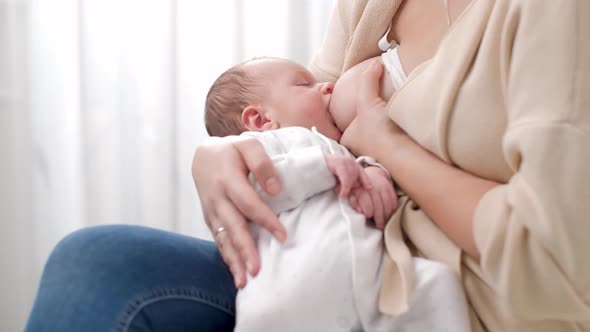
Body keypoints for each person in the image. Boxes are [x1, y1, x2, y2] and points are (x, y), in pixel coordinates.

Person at [25, 0, 590, 331]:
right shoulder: (370, 8)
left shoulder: (554, 16)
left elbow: (556, 262)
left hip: (444, 297)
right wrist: (219, 154)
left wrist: (386, 145)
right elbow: (301, 119)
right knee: (93, 261)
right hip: (323, 259)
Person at [204, 56, 470, 331]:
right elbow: (253, 188)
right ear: (261, 119)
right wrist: (324, 166)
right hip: (289, 289)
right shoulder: (260, 146)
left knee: (437, 282)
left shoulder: (337, 147)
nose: (326, 86)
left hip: (366, 281)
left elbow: (356, 169)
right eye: (304, 84)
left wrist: (373, 172)